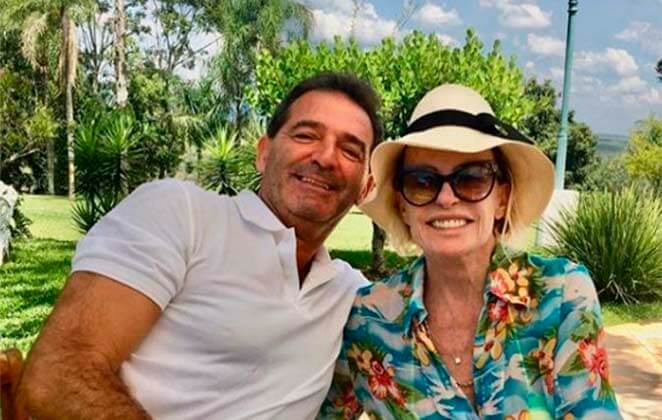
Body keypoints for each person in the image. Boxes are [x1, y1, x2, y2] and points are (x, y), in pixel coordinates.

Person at [18, 72, 383, 420]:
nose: (325, 158)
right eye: (305, 136)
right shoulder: (182, 214)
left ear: (365, 188)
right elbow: (58, 372)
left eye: (350, 151)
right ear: (263, 153)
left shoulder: (349, 294)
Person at [318, 84, 622, 419]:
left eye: (472, 178)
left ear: (502, 199)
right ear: (403, 205)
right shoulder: (370, 319)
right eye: (422, 181)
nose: (446, 198)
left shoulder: (561, 294)